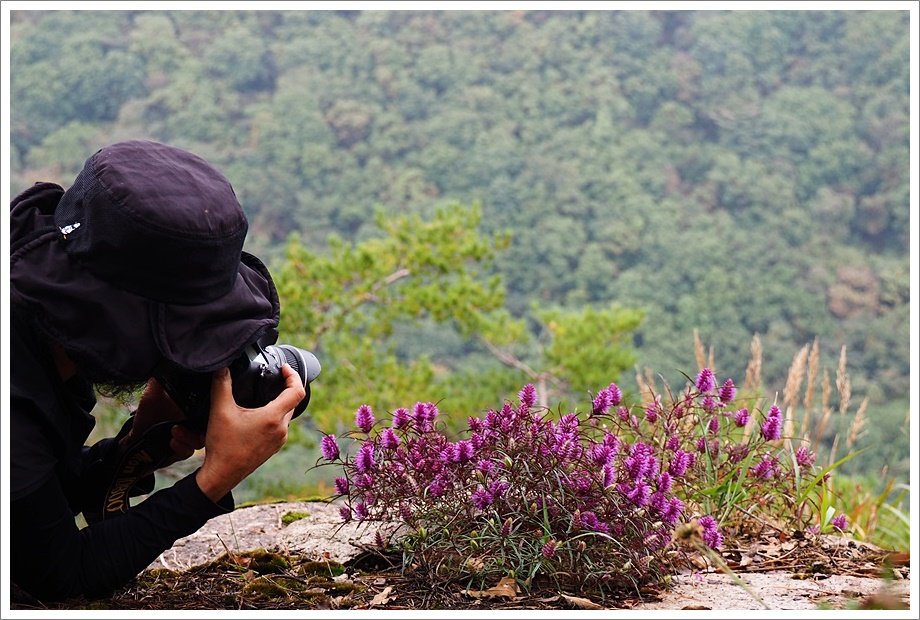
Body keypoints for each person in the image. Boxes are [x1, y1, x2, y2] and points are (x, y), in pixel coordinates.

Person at [9, 140, 307, 602]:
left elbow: (27, 514)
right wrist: (213, 480)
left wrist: (135, 444)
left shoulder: (42, 340)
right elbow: (60, 577)